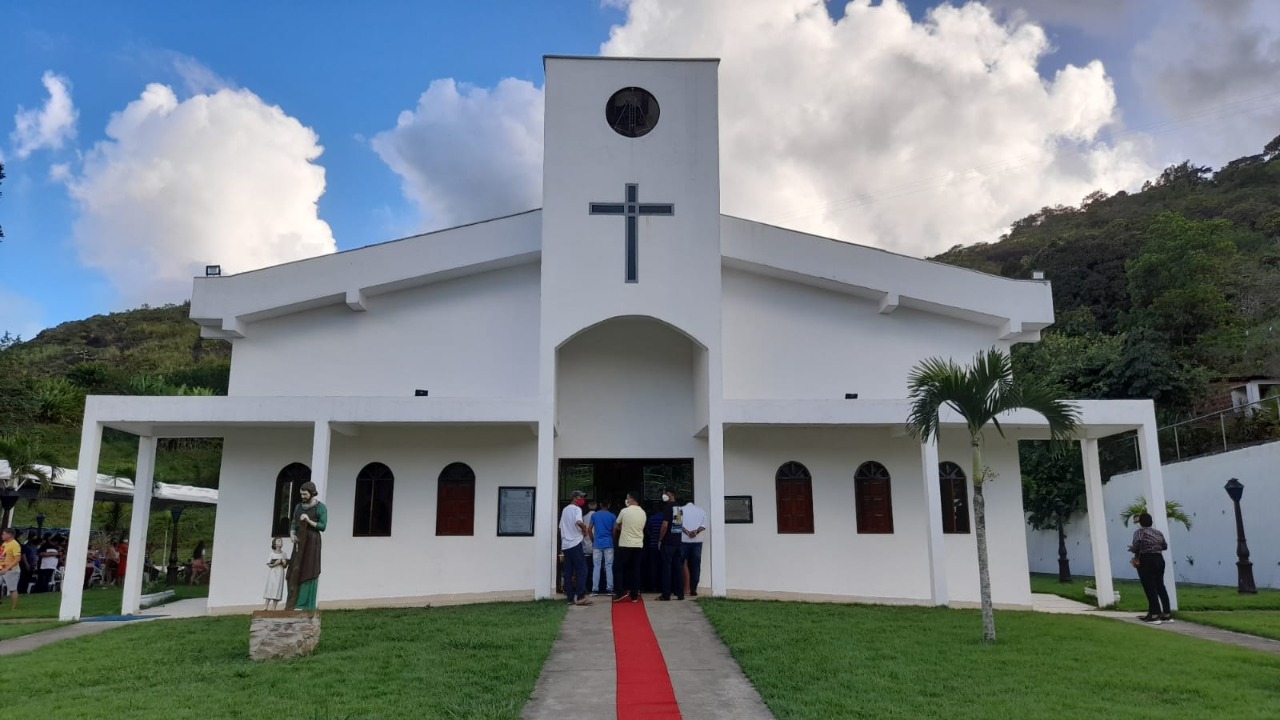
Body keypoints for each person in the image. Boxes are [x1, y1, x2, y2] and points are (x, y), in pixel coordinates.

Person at [287, 481, 327, 611]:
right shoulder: (298, 507)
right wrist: (292, 533)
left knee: (309, 570)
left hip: (312, 542)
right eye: (301, 494)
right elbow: (293, 522)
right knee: (294, 569)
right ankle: (292, 601)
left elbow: (323, 526)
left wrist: (308, 520)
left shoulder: (320, 507)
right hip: (299, 540)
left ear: (311, 493)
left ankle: (303, 604)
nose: (303, 496)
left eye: (305, 494)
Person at [1129, 512, 1172, 624]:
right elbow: (1164, 546)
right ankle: (1166, 614)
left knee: (1150, 587)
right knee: (1160, 586)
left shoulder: (1139, 532)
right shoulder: (1158, 533)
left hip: (1147, 559)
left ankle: (1154, 615)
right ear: (1151, 522)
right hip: (1159, 559)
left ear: (1141, 523)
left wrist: (1132, 549)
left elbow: (1137, 546)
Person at [612, 492, 646, 603]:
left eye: (627, 498)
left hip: (625, 544)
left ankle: (620, 592)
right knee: (635, 569)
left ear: (631, 499)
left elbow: (617, 525)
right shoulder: (643, 513)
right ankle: (634, 595)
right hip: (638, 544)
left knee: (618, 568)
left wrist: (624, 529)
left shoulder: (624, 511)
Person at [559, 490, 591, 606]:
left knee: (568, 571)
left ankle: (570, 598)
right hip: (575, 543)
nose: (582, 499)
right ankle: (581, 596)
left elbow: (561, 527)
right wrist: (584, 528)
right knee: (582, 570)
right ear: (574, 498)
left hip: (566, 545)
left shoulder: (565, 510)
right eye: (580, 497)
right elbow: (578, 521)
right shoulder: (577, 509)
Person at [657, 488, 685, 601]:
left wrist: (660, 539)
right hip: (677, 541)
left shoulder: (668, 507)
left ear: (671, 495)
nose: (664, 496)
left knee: (666, 568)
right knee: (678, 568)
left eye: (666, 494)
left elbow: (665, 525)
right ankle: (680, 593)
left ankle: (666, 594)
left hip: (668, 542)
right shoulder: (679, 507)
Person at [680, 499, 707, 597]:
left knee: (680, 564)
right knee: (696, 565)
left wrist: (687, 532)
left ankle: (680, 588)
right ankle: (693, 589)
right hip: (697, 541)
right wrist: (695, 532)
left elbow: (677, 524)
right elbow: (703, 526)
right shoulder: (701, 511)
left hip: (683, 541)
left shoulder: (679, 510)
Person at [590, 500, 617, 597]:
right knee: (609, 566)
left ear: (600, 505)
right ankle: (609, 589)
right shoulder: (613, 516)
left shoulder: (595, 516)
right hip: (609, 543)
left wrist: (593, 540)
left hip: (597, 544)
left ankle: (594, 590)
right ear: (608, 505)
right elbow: (614, 530)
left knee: (596, 566)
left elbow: (589, 530)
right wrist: (612, 540)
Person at [263, 537, 288, 611]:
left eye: (281, 541)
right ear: (275, 544)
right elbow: (269, 565)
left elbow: (285, 566)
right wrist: (275, 563)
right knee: (270, 587)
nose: (281, 542)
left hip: (280, 573)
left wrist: (284, 563)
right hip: (273, 573)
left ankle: (274, 606)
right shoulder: (272, 554)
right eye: (279, 541)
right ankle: (266, 606)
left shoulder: (284, 554)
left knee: (278, 588)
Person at [1, 529, 22, 609]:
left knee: (12, 589)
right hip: (2, 569)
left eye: (4, 534)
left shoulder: (15, 544)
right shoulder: (4, 544)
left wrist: (7, 568)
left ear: (9, 535)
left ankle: (14, 607)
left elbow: (17, 559)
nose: (2, 535)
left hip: (11, 570)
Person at [581, 499, 597, 595]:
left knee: (586, 568)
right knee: (596, 568)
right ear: (596, 506)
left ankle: (587, 587)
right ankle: (597, 587)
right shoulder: (598, 516)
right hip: (597, 546)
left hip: (585, 546)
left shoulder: (583, 517)